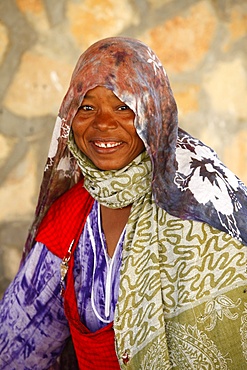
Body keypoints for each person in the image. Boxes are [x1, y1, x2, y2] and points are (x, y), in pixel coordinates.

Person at [0, 36, 247, 370]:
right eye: (87, 107)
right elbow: (17, 344)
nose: (103, 123)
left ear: (154, 112)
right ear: (69, 115)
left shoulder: (205, 201)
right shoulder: (69, 218)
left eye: (124, 107)